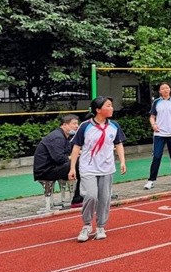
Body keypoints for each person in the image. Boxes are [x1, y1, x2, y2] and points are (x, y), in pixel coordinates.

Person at [68, 97, 126, 242]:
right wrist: (72, 168)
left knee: (104, 198)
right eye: (109, 106)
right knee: (91, 196)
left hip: (107, 167)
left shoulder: (114, 126)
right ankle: (87, 225)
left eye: (111, 106)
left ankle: (101, 226)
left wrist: (122, 161)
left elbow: (118, 144)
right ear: (98, 110)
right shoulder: (85, 126)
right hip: (88, 167)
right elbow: (76, 146)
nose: (112, 108)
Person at [33, 114, 80, 211]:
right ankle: (78, 198)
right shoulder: (57, 137)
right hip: (45, 171)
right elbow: (59, 159)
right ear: (64, 125)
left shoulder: (64, 136)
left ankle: (79, 197)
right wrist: (74, 156)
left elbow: (68, 153)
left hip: (52, 167)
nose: (77, 126)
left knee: (80, 162)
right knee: (80, 164)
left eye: (77, 124)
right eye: (74, 124)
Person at [144, 82, 171, 190]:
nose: (165, 90)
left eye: (167, 88)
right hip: (159, 134)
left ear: (170, 89)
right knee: (156, 156)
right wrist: (153, 125)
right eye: (163, 88)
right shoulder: (156, 102)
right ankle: (151, 180)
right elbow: (152, 117)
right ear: (160, 91)